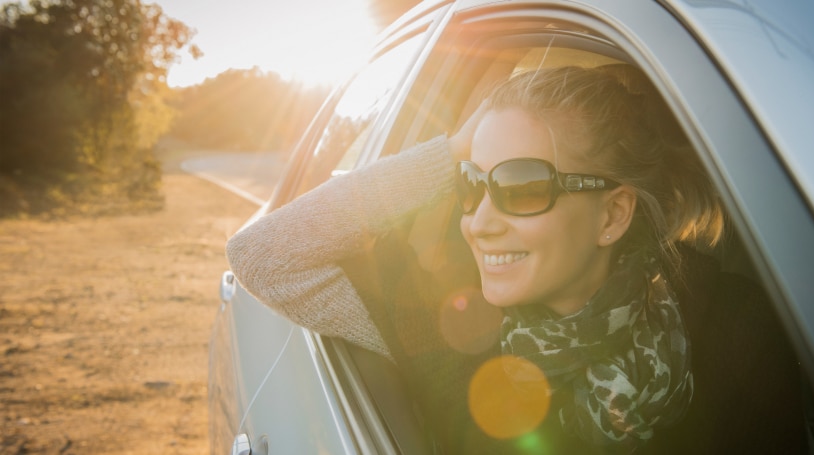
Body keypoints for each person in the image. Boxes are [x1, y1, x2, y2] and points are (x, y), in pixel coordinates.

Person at [226, 64, 724, 453]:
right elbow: (262, 254)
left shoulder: (727, 320)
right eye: (471, 183)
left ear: (613, 215)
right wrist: (452, 151)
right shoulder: (440, 322)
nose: (478, 222)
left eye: (523, 186)